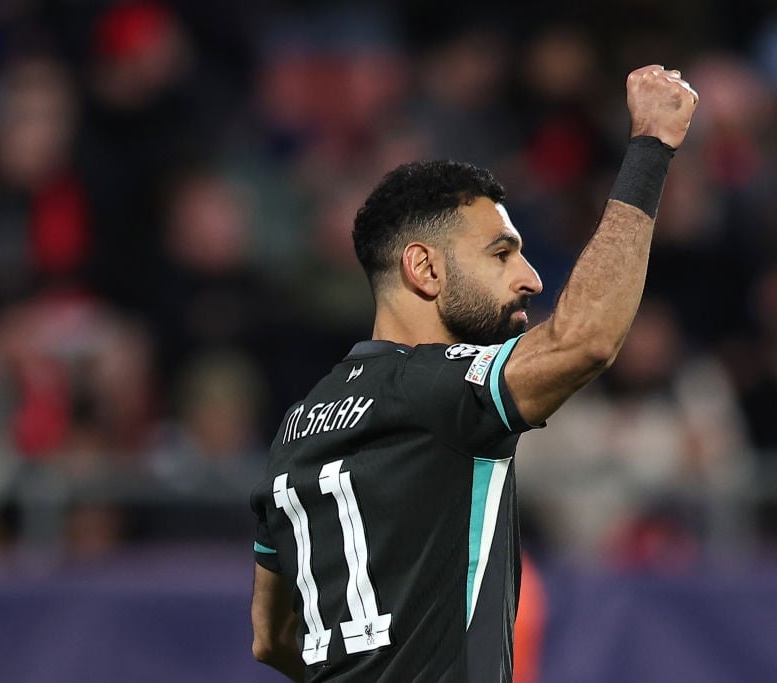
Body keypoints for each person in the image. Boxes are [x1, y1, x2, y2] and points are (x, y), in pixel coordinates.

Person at [249, 65, 697, 682]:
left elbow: (271, 639)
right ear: (424, 269)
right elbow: (584, 341)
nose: (531, 279)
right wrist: (650, 148)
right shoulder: (438, 389)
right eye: (501, 253)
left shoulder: (295, 429)